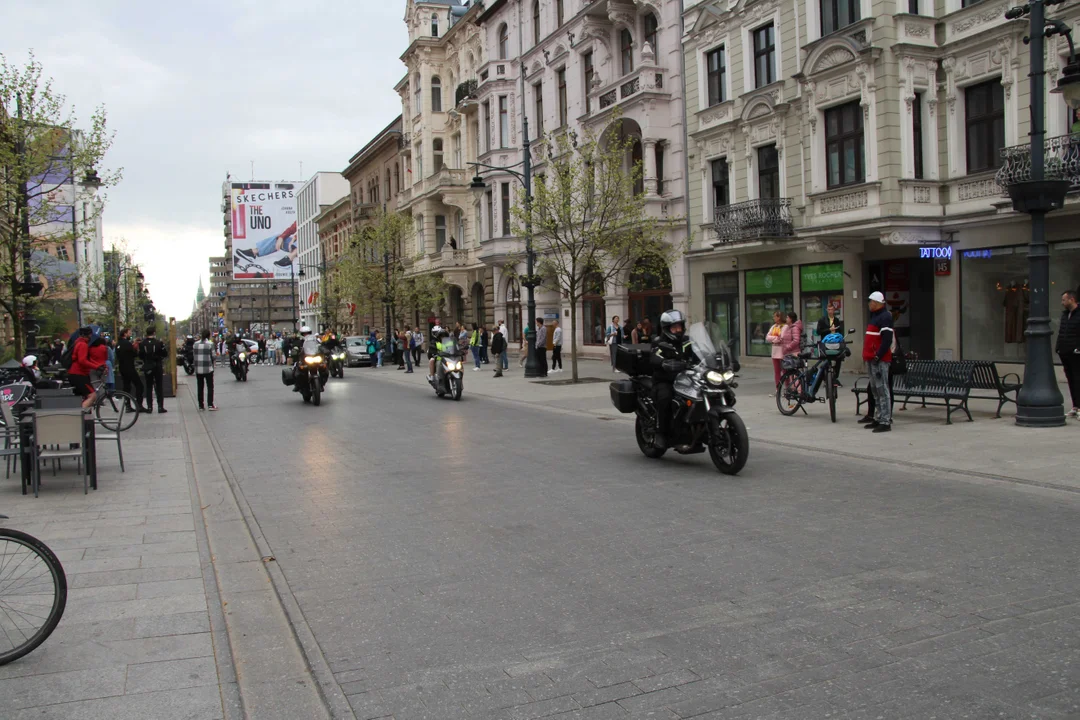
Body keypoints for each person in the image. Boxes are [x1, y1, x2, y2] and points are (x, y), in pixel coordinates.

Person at [650, 310, 699, 449]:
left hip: (687, 379)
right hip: (665, 380)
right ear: (666, 329)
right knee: (665, 398)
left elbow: (701, 353)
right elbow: (654, 357)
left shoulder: (687, 341)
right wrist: (663, 363)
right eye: (674, 327)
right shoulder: (659, 342)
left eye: (680, 326)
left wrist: (719, 358)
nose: (678, 330)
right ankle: (660, 432)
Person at [862, 291, 895, 433]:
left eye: (871, 302)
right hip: (871, 358)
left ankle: (885, 421)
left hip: (879, 360)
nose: (869, 304)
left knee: (882, 389)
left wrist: (878, 355)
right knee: (875, 389)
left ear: (877, 303)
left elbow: (887, 339)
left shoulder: (885, 317)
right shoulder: (875, 316)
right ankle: (879, 417)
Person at [69, 326, 108, 410]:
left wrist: (98, 366)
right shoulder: (83, 345)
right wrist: (97, 367)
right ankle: (79, 415)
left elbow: (87, 359)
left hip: (76, 373)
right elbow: (82, 361)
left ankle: (81, 415)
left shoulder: (78, 343)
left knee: (84, 397)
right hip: (79, 374)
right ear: (89, 335)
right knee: (92, 396)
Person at [1058, 290, 1080, 418]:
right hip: (1065, 352)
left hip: (1076, 353)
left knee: (1078, 379)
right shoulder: (1065, 314)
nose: (1062, 303)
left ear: (1071, 299)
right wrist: (1058, 348)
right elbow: (1062, 331)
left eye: (1064, 300)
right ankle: (1075, 406)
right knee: (1071, 380)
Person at [139, 325, 168, 414]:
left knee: (148, 386)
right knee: (159, 386)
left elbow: (140, 355)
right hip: (157, 366)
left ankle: (149, 407)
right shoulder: (158, 343)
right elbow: (164, 354)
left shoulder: (142, 343)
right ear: (154, 333)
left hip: (148, 366)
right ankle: (160, 407)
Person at [116, 328, 144, 410]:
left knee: (126, 386)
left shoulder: (118, 343)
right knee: (139, 385)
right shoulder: (127, 344)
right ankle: (139, 405)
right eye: (129, 333)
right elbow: (134, 354)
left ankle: (127, 405)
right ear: (125, 334)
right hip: (129, 367)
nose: (130, 334)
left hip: (122, 367)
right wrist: (135, 348)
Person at [194, 329, 217, 411]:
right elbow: (214, 356)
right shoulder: (210, 344)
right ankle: (210, 405)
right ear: (209, 335)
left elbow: (194, 356)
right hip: (208, 369)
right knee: (210, 386)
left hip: (198, 369)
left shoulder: (195, 344)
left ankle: (201, 406)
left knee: (200, 387)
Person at [765, 311, 785, 391]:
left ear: (779, 317)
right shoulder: (774, 326)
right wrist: (775, 339)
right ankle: (778, 389)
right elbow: (767, 337)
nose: (774, 318)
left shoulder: (784, 326)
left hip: (782, 351)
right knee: (777, 372)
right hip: (775, 352)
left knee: (785, 371)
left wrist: (774, 339)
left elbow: (782, 337)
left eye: (775, 316)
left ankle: (787, 388)